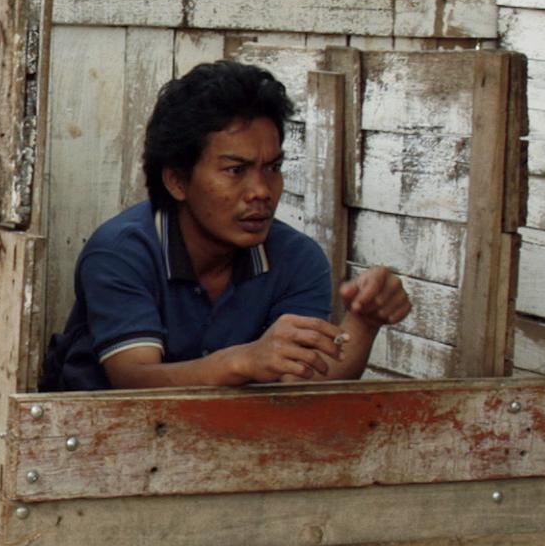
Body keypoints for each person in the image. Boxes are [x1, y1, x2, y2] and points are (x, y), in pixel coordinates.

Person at [42, 60, 412, 391]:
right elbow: (134, 379)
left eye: (273, 168)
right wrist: (241, 362)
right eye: (236, 170)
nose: (262, 191)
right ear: (177, 181)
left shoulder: (298, 260)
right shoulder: (122, 251)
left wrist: (363, 322)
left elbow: (301, 383)